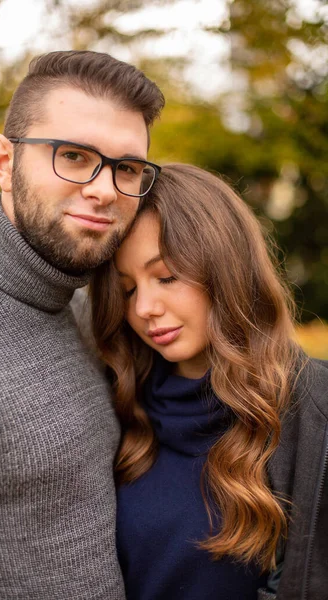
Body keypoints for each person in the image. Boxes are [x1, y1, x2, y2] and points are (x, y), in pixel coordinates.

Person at [0, 50, 164, 599]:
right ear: (4, 161)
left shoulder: (93, 314)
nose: (104, 189)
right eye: (74, 156)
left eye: (126, 168)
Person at [90, 163, 328, 600]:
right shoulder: (115, 403)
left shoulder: (314, 414)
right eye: (127, 289)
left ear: (225, 267)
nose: (144, 307)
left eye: (166, 277)